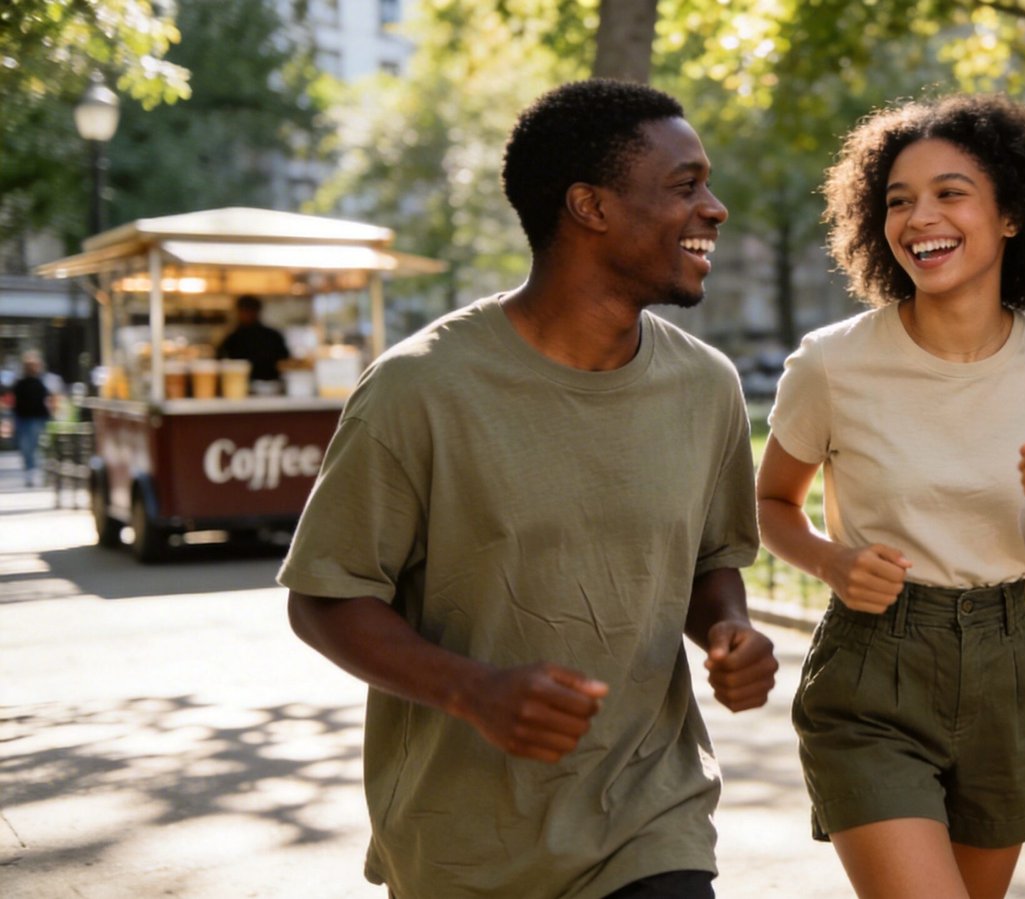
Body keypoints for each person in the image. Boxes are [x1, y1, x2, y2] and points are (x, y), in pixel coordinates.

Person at [278, 79, 779, 899]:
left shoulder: (706, 384)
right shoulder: (418, 387)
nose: (714, 209)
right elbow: (325, 597)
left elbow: (708, 560)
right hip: (463, 844)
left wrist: (731, 629)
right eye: (685, 186)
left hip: (651, 816)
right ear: (591, 206)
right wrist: (473, 691)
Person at [757, 95, 1025, 899]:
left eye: (950, 193)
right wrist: (831, 561)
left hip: (1005, 671)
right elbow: (772, 503)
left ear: (1012, 215)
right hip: (871, 670)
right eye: (899, 200)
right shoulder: (832, 363)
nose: (920, 217)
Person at [218, 294, 289, 382]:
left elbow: (284, 361)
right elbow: (220, 360)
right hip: (239, 384)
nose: (247, 314)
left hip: (268, 384)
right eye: (245, 311)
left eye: (249, 310)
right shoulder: (232, 338)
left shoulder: (272, 336)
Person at [12, 351, 56, 487]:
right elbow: (14, 402)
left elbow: (51, 398)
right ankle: (30, 471)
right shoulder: (20, 383)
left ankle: (35, 472)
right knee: (25, 448)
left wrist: (52, 412)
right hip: (23, 419)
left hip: (38, 419)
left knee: (36, 446)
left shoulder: (43, 381)